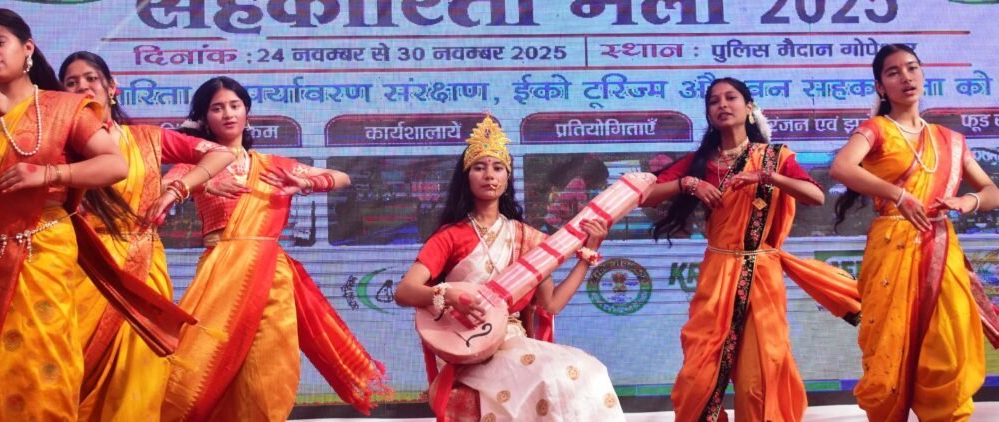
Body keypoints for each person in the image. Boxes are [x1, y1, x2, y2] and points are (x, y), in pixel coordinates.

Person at [0, 8, 193, 421]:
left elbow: (114, 164)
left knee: (41, 357)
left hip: (43, 248)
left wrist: (48, 174)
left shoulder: (64, 109)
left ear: (28, 48)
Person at [160, 76, 387, 421]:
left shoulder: (273, 165)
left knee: (269, 371)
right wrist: (201, 182)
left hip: (271, 280)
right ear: (205, 118)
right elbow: (158, 186)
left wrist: (305, 182)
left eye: (234, 106)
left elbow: (342, 178)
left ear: (247, 113)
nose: (228, 114)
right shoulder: (195, 165)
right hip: (220, 275)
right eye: (217, 108)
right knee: (198, 365)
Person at [642, 77, 861, 421]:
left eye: (731, 98)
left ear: (749, 108)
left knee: (758, 379)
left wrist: (767, 177)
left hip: (762, 276)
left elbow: (815, 195)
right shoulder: (700, 162)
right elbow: (645, 195)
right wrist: (687, 183)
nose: (722, 105)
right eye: (714, 101)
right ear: (708, 113)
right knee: (699, 377)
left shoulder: (773, 157)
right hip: (717, 275)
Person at [394, 116, 625, 421]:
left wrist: (587, 255)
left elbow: (551, 304)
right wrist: (450, 296)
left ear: (507, 178)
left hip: (513, 341)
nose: (489, 175)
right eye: (479, 167)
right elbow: (405, 291)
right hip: (465, 345)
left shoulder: (527, 238)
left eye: (498, 168)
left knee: (588, 372)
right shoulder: (450, 236)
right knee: (544, 380)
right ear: (466, 177)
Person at [58, 51, 235, 421]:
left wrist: (178, 188)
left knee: (138, 369)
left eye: (91, 78)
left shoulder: (148, 139)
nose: (82, 87)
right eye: (71, 83)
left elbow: (219, 154)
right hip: (84, 265)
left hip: (143, 268)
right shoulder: (58, 146)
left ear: (112, 87)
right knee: (69, 366)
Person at [830, 44, 999, 421]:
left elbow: (992, 191)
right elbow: (842, 167)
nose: (905, 77)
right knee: (889, 347)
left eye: (912, 68)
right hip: (892, 249)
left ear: (922, 75)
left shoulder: (949, 139)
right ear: (880, 86)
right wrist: (898, 195)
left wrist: (967, 201)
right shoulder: (876, 130)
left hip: (941, 247)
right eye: (893, 72)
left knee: (947, 345)